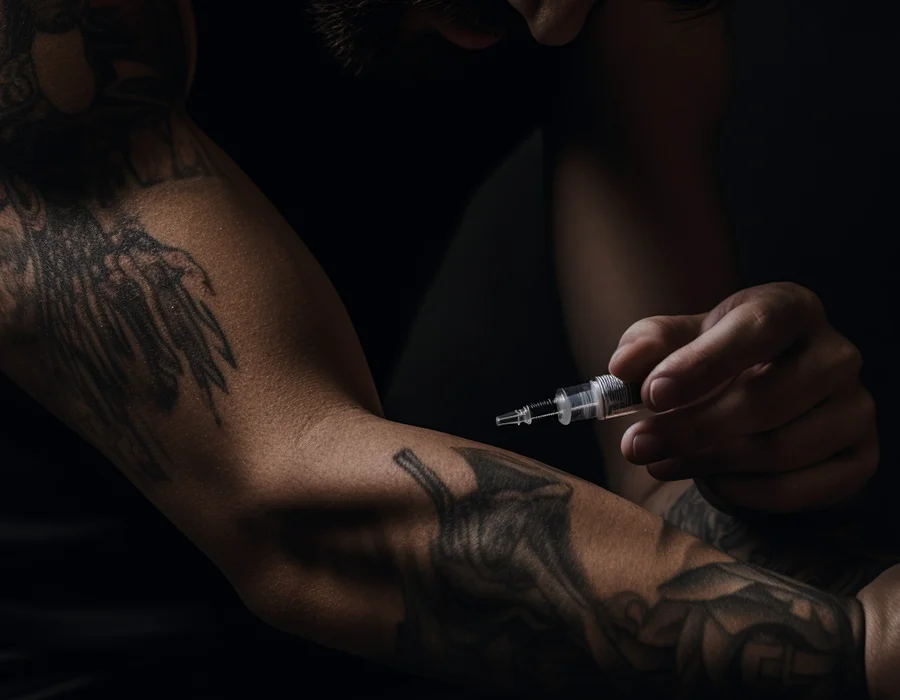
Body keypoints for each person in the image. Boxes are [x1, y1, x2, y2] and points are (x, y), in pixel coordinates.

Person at [0, 1, 897, 698]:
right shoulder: (57, 31)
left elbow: (661, 456)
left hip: (370, 650)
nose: (548, 22)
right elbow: (281, 494)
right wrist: (858, 646)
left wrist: (755, 444)